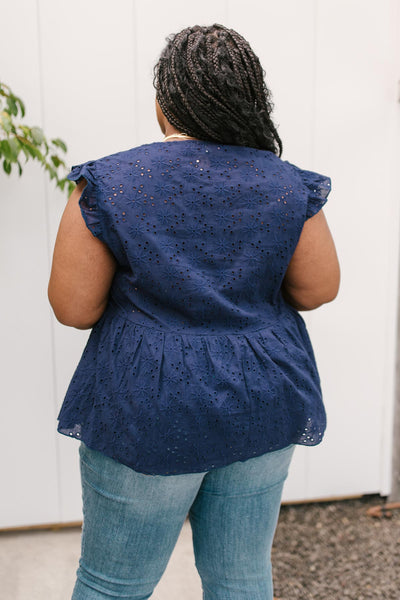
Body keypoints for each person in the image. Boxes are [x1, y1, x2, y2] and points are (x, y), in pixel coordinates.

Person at [48, 23, 340, 600]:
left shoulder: (109, 183)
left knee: (112, 585)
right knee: (241, 578)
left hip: (146, 406)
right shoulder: (287, 185)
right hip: (262, 397)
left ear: (164, 104)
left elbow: (74, 308)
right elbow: (318, 289)